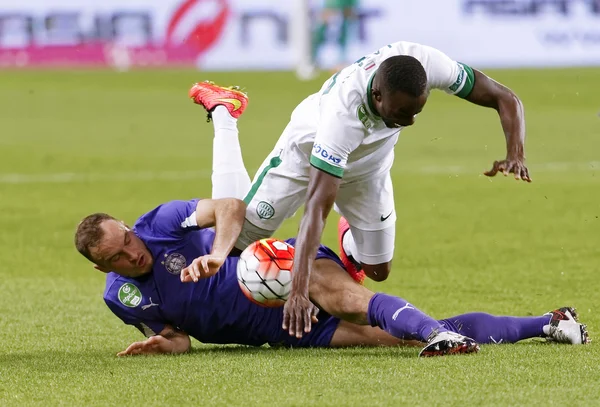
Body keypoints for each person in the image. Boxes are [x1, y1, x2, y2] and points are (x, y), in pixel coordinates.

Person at [74, 98, 588, 357]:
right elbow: (178, 337)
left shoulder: (160, 225)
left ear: (127, 227)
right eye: (118, 257)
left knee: (359, 302)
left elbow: (230, 205)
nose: (133, 254)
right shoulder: (121, 297)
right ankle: (546, 321)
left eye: (128, 241)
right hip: (281, 330)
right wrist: (163, 344)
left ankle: (358, 264)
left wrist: (219, 252)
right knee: (393, 338)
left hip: (278, 268)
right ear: (101, 266)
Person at [190, 40, 531, 338]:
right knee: (235, 241)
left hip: (369, 169)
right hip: (305, 153)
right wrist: (298, 289)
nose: (410, 121)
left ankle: (350, 239)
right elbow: (316, 207)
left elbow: (505, 97)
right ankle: (225, 110)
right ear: (377, 95)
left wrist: (515, 153)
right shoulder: (343, 116)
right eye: (401, 113)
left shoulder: (424, 63)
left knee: (378, 271)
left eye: (417, 112)